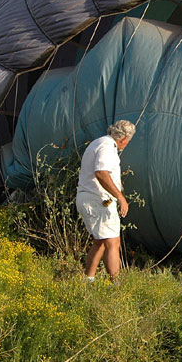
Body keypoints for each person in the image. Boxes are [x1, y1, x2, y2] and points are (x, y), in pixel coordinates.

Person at [76, 120, 136, 282]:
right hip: (98, 200)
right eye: (128, 142)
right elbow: (101, 172)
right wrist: (120, 196)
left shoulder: (99, 142)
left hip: (88, 197)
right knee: (113, 242)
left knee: (100, 242)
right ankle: (116, 284)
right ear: (124, 139)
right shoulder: (108, 147)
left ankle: (88, 280)